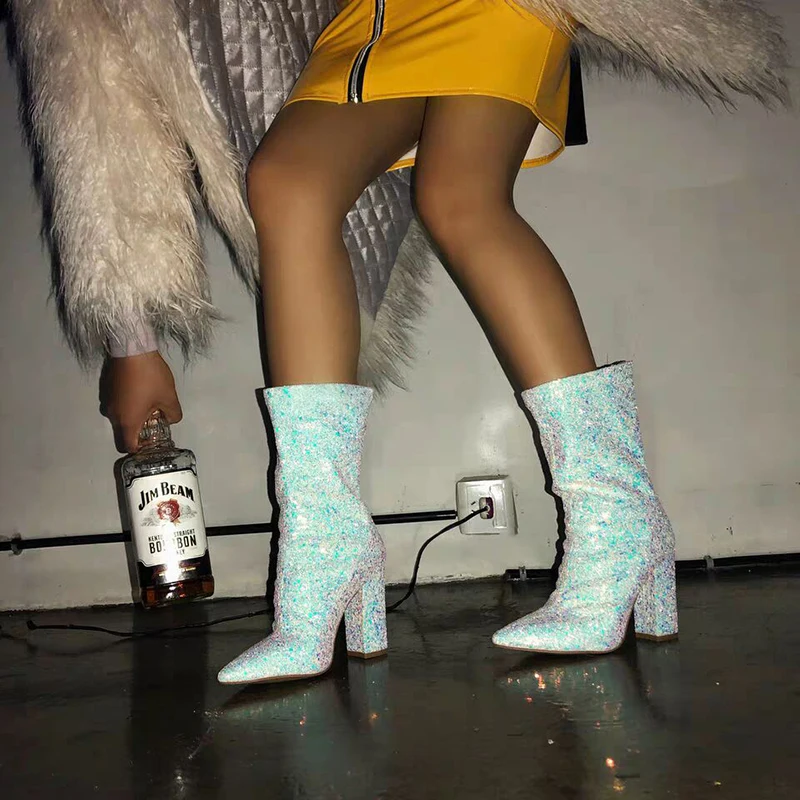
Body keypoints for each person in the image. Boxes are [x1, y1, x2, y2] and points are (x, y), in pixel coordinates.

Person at [59, 0, 789, 683]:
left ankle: (617, 518)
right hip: (366, 19)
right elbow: (90, 69)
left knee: (458, 195)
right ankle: (325, 546)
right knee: (286, 183)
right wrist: (130, 339)